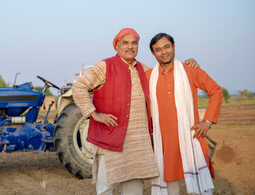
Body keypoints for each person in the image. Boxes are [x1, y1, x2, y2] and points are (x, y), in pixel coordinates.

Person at [72, 28, 198, 195]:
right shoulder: (105, 66)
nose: (130, 46)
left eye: (134, 43)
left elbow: (167, 73)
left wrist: (186, 66)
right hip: (110, 139)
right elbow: (79, 87)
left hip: (137, 142)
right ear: (117, 46)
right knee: (105, 188)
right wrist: (95, 114)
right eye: (125, 43)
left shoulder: (143, 69)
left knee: (134, 190)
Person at [145, 33, 223, 195]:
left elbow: (216, 91)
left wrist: (208, 121)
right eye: (158, 49)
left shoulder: (190, 71)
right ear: (153, 54)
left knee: (200, 185)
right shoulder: (148, 76)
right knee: (170, 183)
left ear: (174, 47)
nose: (164, 52)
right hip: (164, 142)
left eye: (167, 47)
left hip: (191, 137)